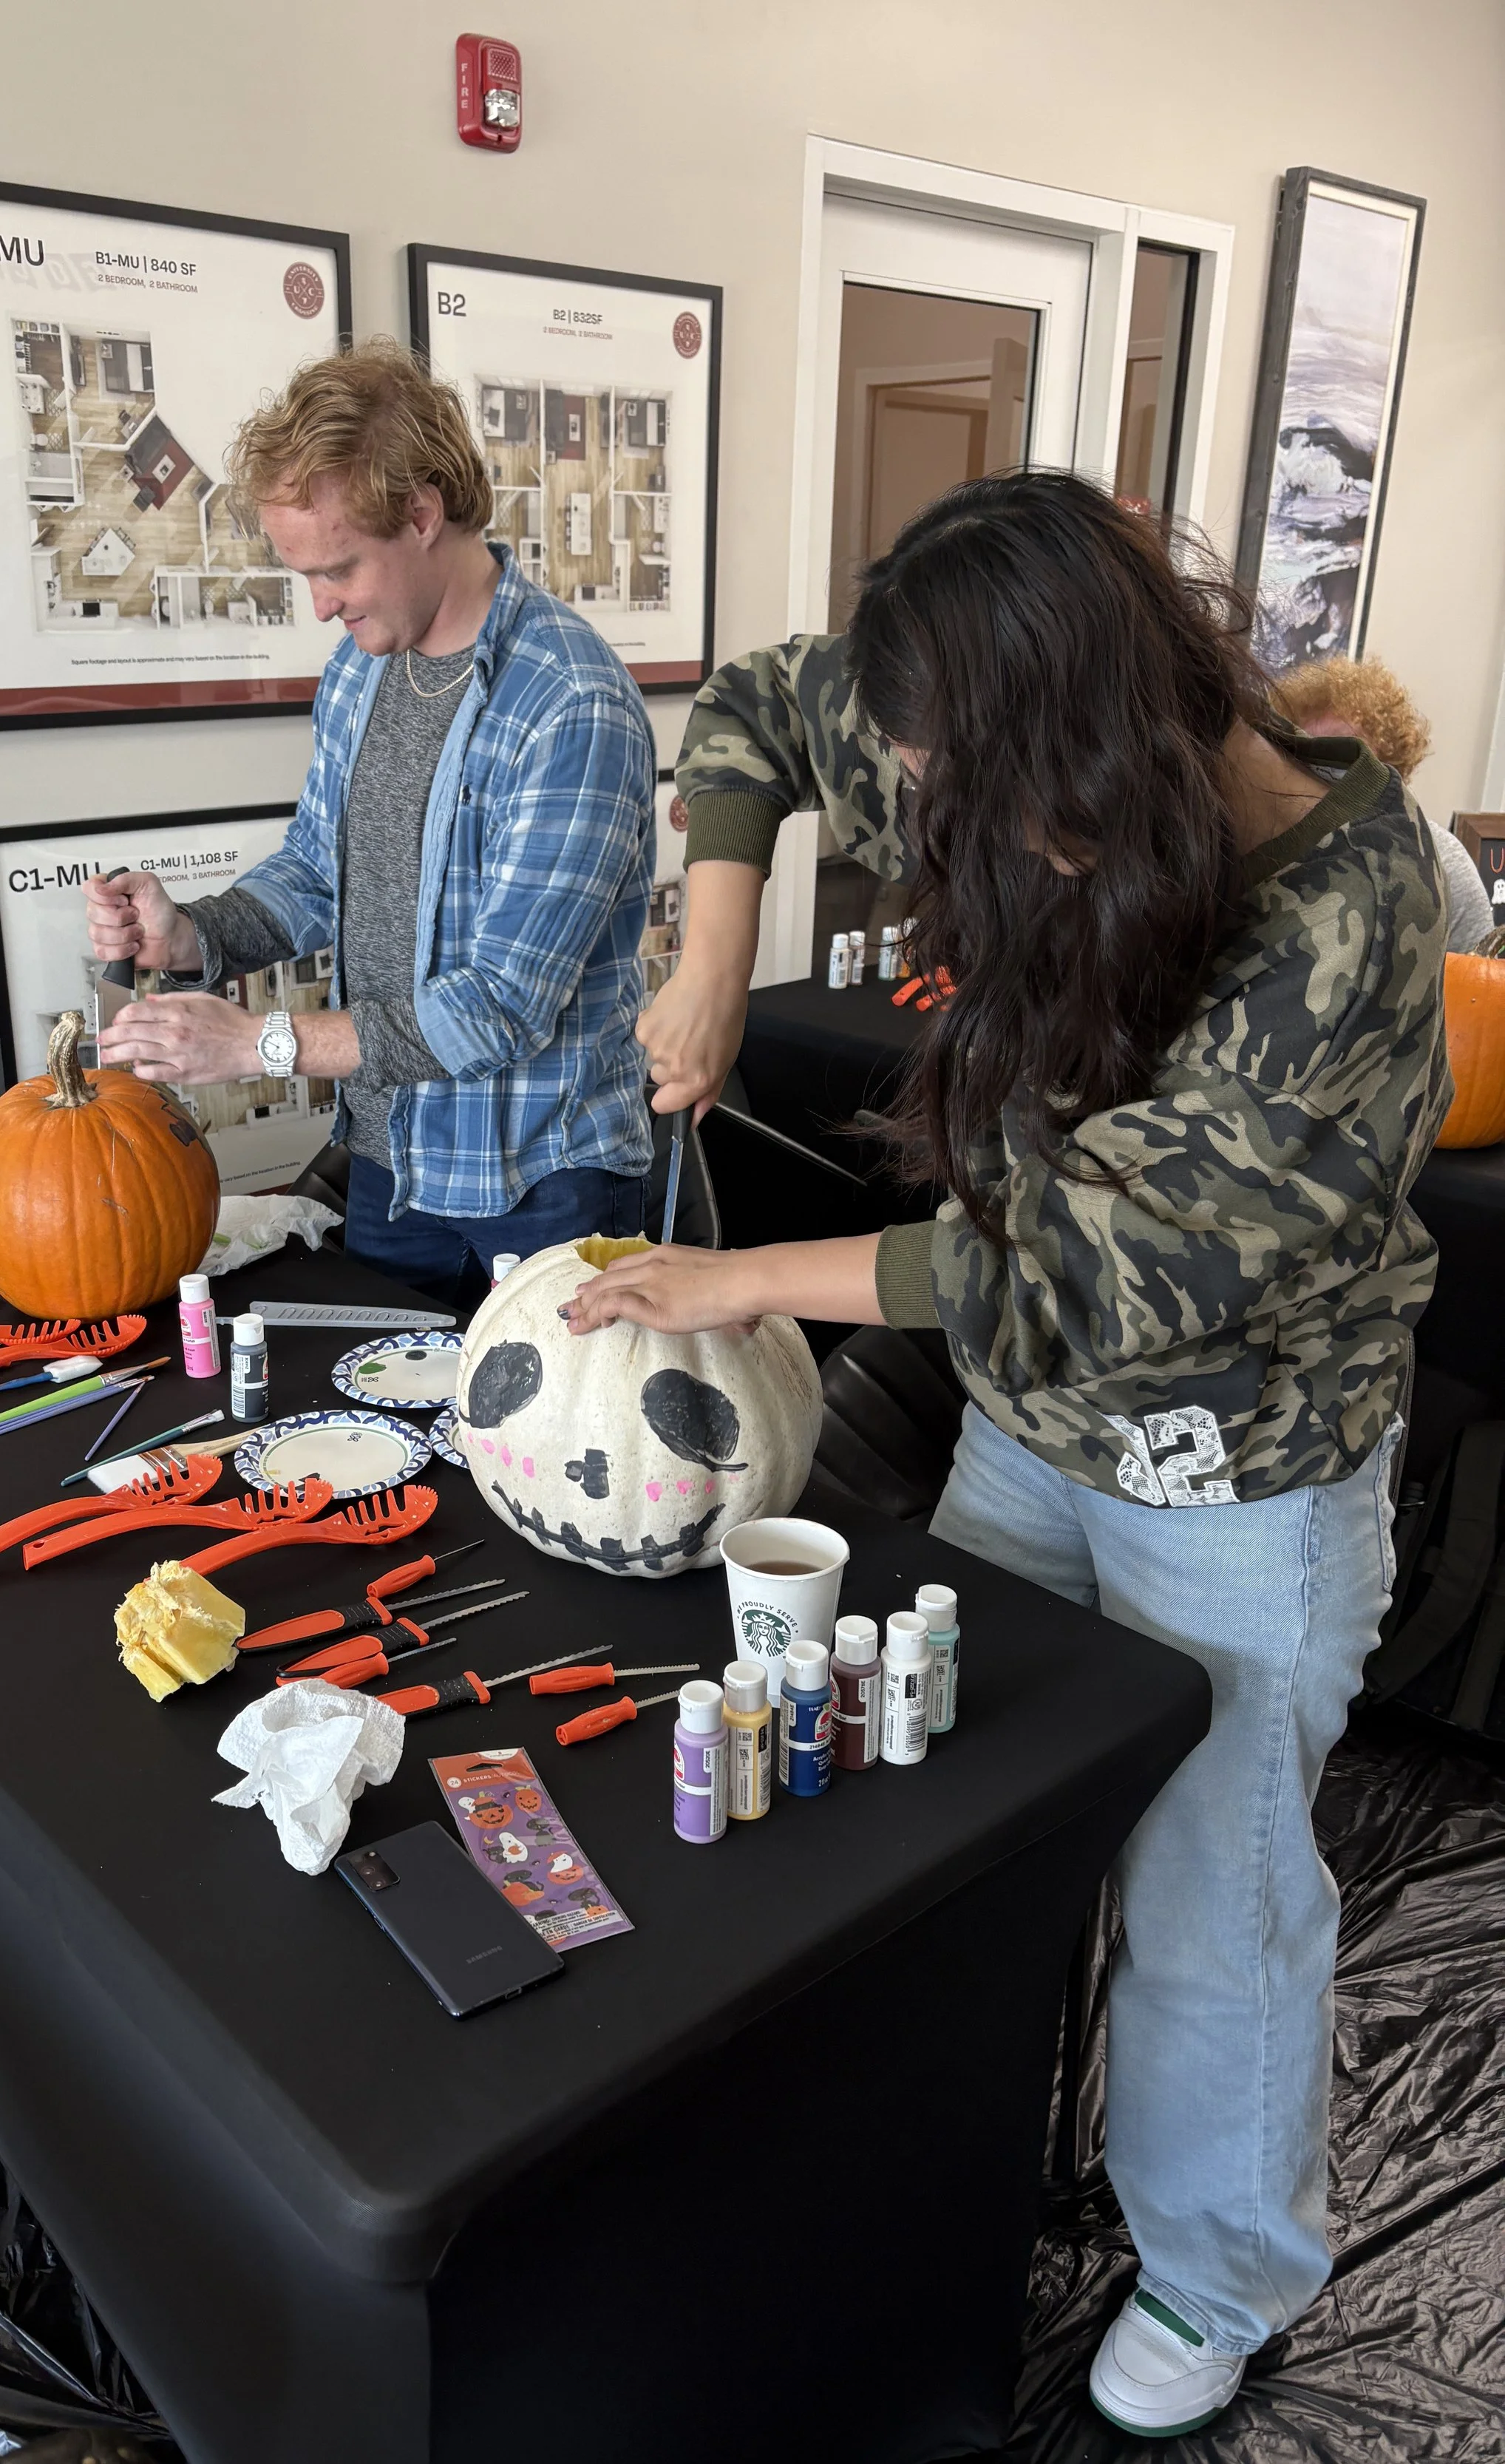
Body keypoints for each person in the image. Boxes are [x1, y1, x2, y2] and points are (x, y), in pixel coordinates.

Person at [575, 473, 1449, 2438]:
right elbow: (747, 711)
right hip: (1031, 1437)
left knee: (1212, 1893)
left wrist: (749, 1280)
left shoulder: (1342, 910)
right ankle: (958, 2161)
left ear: (1088, 744)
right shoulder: (997, 744)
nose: (935, 833)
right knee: (952, 1812)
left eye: (963, 800)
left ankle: (1217, 2265)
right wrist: (710, 946)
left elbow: (1110, 1272)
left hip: (1238, 1475)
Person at [88, 340, 655, 1307]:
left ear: (423, 515)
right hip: (392, 1155)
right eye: (305, 574)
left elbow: (498, 1008)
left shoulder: (571, 704)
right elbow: (318, 867)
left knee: (533, 1455)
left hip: (544, 1183)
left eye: (340, 567)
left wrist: (257, 1044)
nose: (321, 605)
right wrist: (195, 935)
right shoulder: (363, 666)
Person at [1273, 651, 1495, 949]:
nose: (1321, 782)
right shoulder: (1269, 857)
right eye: (1306, 762)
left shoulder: (1440, 864)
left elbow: (1477, 983)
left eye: (1343, 763)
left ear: (1391, 768)